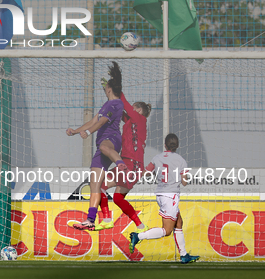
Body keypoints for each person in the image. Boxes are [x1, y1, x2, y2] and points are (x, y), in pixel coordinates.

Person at [67, 61, 125, 230]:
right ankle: (90, 219)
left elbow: (102, 122)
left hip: (112, 139)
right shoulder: (106, 104)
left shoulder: (115, 103)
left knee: (104, 148)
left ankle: (120, 164)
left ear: (109, 89)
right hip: (102, 143)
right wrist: (76, 131)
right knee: (95, 184)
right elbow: (94, 120)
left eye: (105, 86)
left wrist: (89, 133)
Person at [129, 133, 200, 264]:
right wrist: (184, 178)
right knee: (167, 231)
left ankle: (184, 255)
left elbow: (146, 172)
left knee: (179, 223)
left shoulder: (157, 158)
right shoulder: (181, 160)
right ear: (177, 146)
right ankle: (138, 236)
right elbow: (184, 182)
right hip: (170, 196)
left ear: (165, 145)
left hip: (160, 194)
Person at [96, 89, 152, 233]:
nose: (129, 110)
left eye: (133, 108)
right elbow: (119, 111)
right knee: (117, 198)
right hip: (133, 166)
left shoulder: (139, 119)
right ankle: (141, 226)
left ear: (139, 110)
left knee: (99, 185)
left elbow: (124, 103)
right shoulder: (132, 122)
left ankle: (107, 219)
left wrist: (116, 86)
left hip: (131, 165)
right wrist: (108, 92)